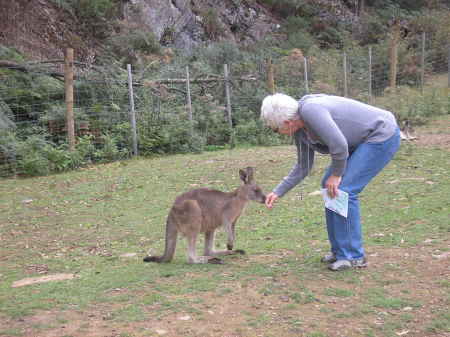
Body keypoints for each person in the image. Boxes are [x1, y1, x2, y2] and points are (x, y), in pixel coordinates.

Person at [260, 93, 401, 271]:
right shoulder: (300, 131)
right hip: (359, 141)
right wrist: (278, 191)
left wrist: (337, 174)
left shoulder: (311, 111)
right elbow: (303, 166)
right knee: (329, 185)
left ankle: (353, 256)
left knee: (343, 189)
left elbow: (339, 145)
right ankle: (340, 251)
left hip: (380, 134)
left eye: (274, 129)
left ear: (287, 123)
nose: (276, 132)